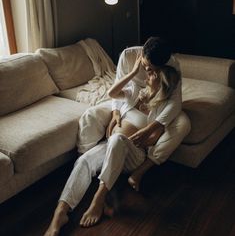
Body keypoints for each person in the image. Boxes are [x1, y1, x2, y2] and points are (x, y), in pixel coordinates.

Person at [44, 50, 181, 236]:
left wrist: (128, 137)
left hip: (134, 155)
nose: (147, 76)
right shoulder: (136, 92)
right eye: (148, 73)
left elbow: (152, 140)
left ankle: (98, 200)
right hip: (111, 146)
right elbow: (112, 93)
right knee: (84, 160)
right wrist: (132, 73)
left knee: (117, 139)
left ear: (162, 83)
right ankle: (60, 214)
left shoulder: (162, 109)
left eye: (152, 74)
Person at [78, 37, 191, 191]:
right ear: (141, 53)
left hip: (153, 103)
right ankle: (84, 159)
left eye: (153, 70)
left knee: (183, 124)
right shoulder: (128, 55)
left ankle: (141, 170)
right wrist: (115, 112)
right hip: (128, 98)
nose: (147, 72)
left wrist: (151, 128)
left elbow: (175, 102)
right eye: (145, 66)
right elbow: (116, 89)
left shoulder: (172, 66)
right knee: (91, 114)